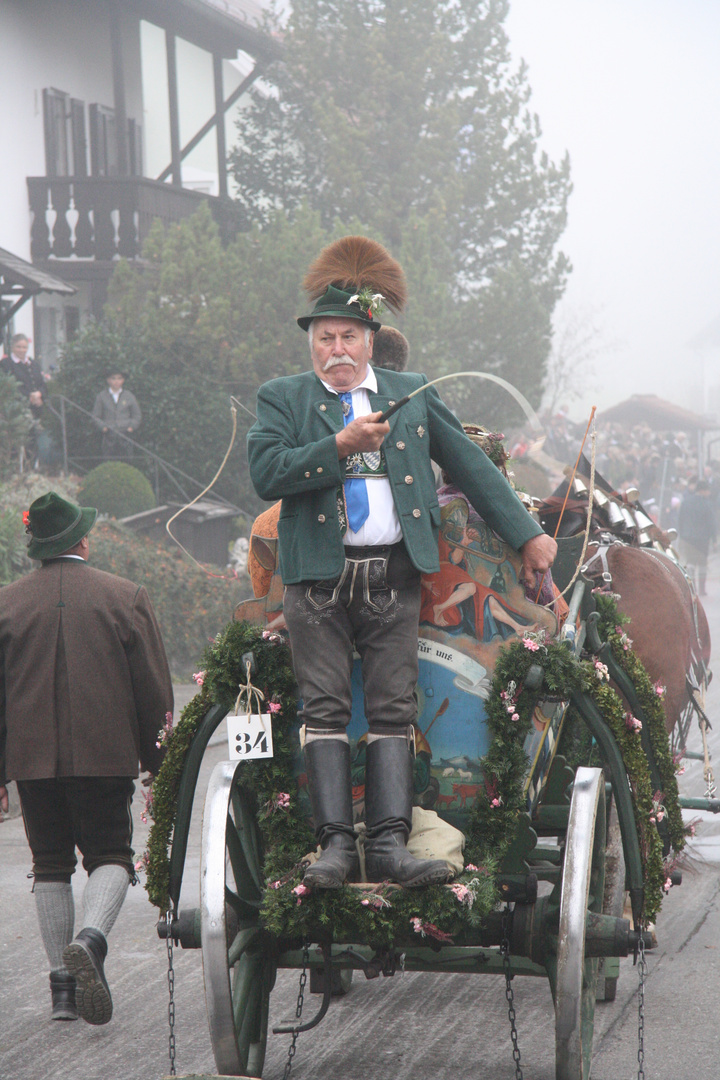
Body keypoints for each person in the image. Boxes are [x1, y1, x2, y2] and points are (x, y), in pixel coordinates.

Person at [247, 236, 556, 891]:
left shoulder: (412, 393)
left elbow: (470, 466)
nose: (335, 350)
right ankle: (334, 848)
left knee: (393, 710)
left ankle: (388, 845)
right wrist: (337, 445)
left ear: (369, 338)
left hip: (394, 576)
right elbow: (266, 472)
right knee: (324, 711)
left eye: (347, 338)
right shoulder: (284, 399)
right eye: (324, 338)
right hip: (317, 584)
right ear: (312, 343)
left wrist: (528, 536)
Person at [0, 492, 173, 1024]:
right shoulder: (125, 596)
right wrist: (158, 763)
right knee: (111, 856)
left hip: (31, 760)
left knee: (49, 865)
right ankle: (91, 942)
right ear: (81, 540)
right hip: (105, 754)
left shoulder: (5, 604)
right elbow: (152, 690)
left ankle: (63, 994)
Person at [0, 332, 54, 468]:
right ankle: (17, 470)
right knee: (17, 442)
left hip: (36, 409)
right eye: (19, 347)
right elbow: (9, 386)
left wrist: (39, 394)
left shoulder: (34, 364)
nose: (22, 350)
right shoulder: (6, 364)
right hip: (16, 411)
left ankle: (31, 468)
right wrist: (30, 397)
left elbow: (42, 384)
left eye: (24, 347)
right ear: (12, 347)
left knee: (34, 440)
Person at [677, 478, 717, 595]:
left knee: (690, 563)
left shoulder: (686, 501)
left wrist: (681, 534)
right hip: (702, 539)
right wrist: (714, 540)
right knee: (703, 564)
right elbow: (712, 523)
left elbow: (680, 519)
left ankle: (692, 587)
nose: (709, 493)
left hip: (688, 538)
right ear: (703, 491)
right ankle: (702, 589)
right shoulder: (707, 504)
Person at [91, 371, 142, 460]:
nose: (116, 381)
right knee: (109, 461)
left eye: (119, 378)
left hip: (125, 434)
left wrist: (131, 427)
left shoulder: (129, 396)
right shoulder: (102, 396)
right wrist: (103, 427)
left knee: (127, 461)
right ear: (108, 380)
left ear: (123, 380)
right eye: (113, 378)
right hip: (109, 434)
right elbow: (96, 416)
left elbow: (137, 415)